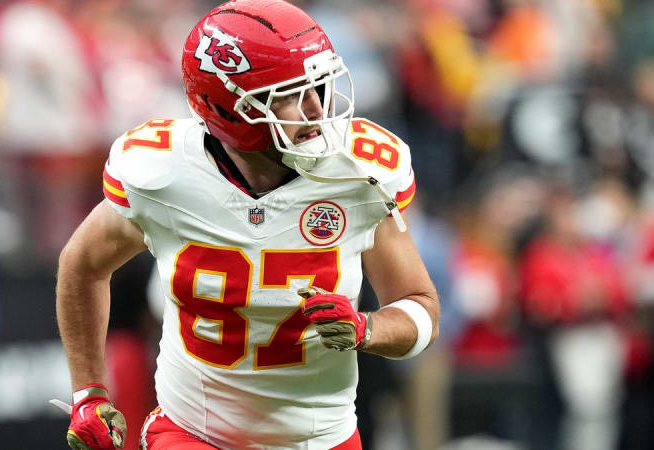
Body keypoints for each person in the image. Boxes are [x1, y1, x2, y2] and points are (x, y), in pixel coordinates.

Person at [55, 1, 439, 449]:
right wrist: (88, 392)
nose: (317, 108)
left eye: (319, 85)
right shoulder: (162, 173)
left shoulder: (358, 173)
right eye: (292, 95)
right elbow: (83, 265)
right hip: (195, 431)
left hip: (320, 438)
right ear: (228, 109)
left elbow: (421, 309)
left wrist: (366, 329)